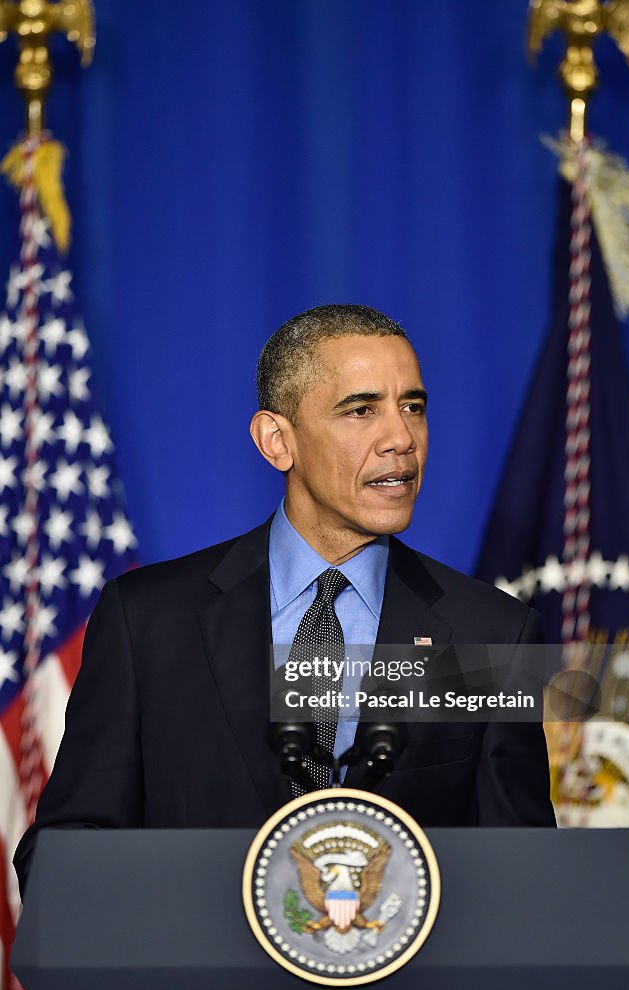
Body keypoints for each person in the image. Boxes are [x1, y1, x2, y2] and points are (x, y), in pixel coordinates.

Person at [14, 303, 555, 899]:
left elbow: (523, 879)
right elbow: (68, 847)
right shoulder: (146, 620)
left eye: (413, 407)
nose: (401, 438)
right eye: (361, 409)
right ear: (278, 441)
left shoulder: (494, 634)